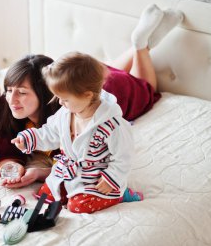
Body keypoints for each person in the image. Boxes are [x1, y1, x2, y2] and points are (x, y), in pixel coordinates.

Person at [0, 4, 183, 189]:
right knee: (110, 68)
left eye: (22, 92)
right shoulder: (9, 104)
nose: (12, 99)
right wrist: (12, 166)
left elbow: (77, 165)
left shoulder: (73, 111)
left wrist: (38, 173)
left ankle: (141, 46)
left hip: (114, 88)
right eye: (9, 90)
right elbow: (4, 150)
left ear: (46, 93)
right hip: (86, 78)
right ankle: (137, 46)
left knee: (147, 89)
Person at [12, 51, 143, 214]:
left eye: (65, 99)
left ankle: (121, 195)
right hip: (69, 171)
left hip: (97, 177)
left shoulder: (112, 125)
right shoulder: (64, 114)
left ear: (87, 95)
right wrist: (29, 138)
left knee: (77, 206)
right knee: (45, 196)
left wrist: (112, 178)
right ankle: (69, 189)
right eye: (58, 97)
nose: (60, 102)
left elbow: (124, 156)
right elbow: (50, 133)